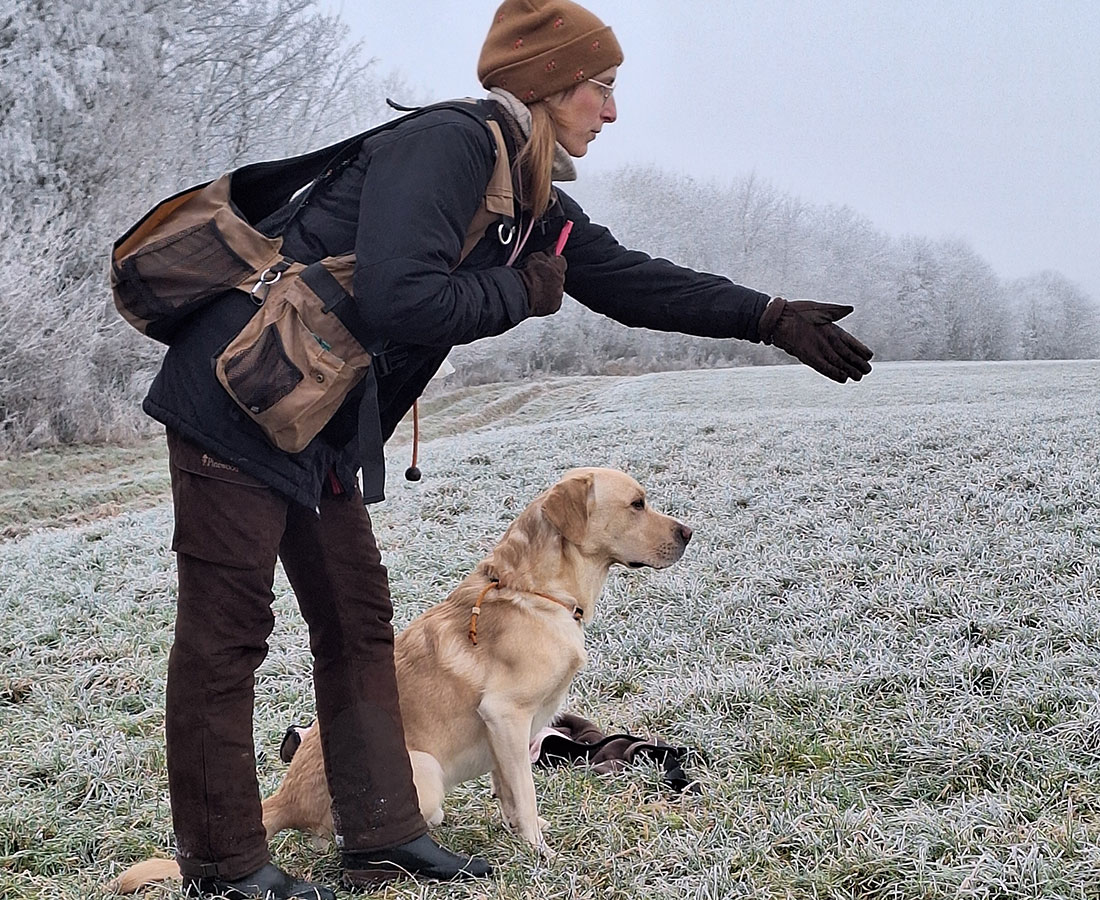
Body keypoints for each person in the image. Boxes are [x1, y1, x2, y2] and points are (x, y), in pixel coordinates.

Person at [139, 0, 873, 896]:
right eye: (601, 88)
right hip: (236, 400)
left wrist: (767, 317)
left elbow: (631, 280)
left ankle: (383, 832)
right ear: (549, 87)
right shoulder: (449, 147)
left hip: (315, 423)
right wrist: (520, 293)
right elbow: (407, 296)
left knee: (358, 620)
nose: (612, 112)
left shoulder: (526, 203)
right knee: (228, 636)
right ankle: (222, 865)